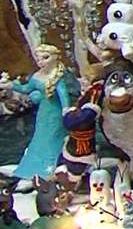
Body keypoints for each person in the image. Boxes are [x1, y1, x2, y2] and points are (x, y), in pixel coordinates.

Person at [10, 45, 80, 180]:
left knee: (54, 137)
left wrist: (65, 109)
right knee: (40, 137)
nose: (41, 62)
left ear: (55, 58)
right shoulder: (37, 76)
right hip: (43, 112)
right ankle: (33, 169)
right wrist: (12, 85)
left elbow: (63, 95)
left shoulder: (56, 77)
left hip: (55, 113)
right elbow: (26, 89)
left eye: (45, 58)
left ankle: (52, 168)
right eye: (38, 59)